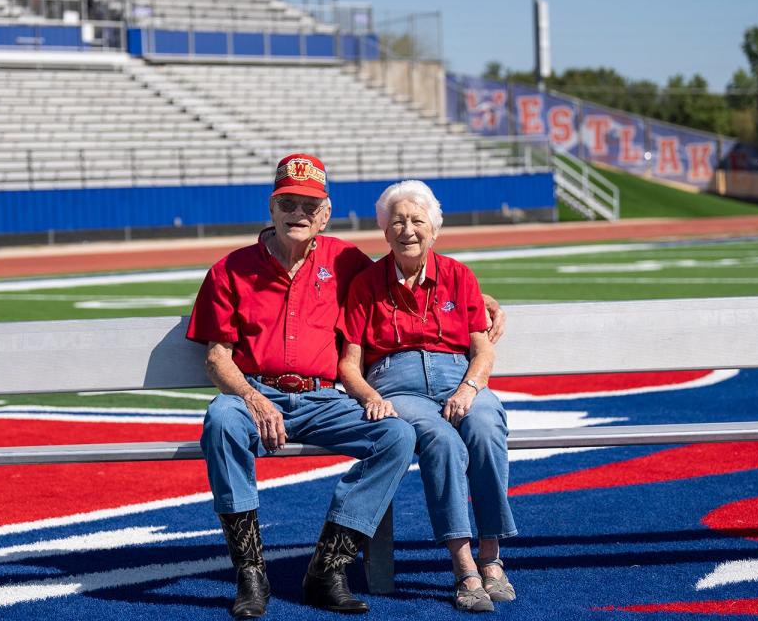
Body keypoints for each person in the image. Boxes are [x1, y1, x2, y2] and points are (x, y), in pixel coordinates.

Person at [187, 156, 505, 618]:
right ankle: (250, 571)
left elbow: (408, 271)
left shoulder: (344, 260)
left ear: (325, 213)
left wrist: (482, 300)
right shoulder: (230, 270)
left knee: (396, 435)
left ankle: (328, 567)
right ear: (272, 208)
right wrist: (253, 399)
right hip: (256, 393)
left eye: (309, 206)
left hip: (321, 398)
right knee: (220, 419)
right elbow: (217, 356)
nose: (298, 213)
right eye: (288, 203)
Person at [337, 180, 517, 613]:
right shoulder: (366, 284)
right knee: (440, 439)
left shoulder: (459, 276)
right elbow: (349, 362)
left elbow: (482, 348)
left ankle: (491, 556)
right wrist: (368, 396)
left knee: (486, 425)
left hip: (459, 376)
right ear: (384, 232)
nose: (408, 229)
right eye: (397, 221)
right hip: (397, 384)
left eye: (418, 220)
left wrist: (470, 387)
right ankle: (463, 567)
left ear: (434, 229)